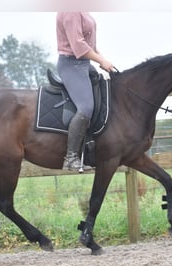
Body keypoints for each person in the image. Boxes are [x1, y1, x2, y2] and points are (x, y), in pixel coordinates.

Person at [56, 12, 114, 171]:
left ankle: (91, 144)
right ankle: (71, 158)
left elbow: (90, 45)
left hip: (84, 64)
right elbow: (79, 46)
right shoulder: (71, 11)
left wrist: (102, 59)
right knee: (86, 108)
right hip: (71, 65)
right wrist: (101, 60)